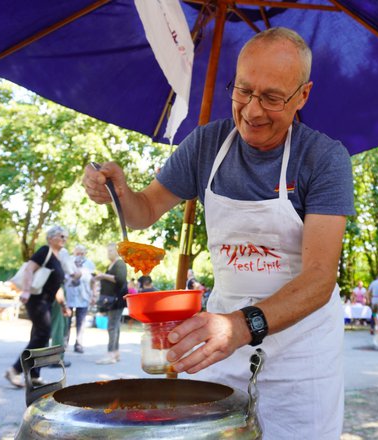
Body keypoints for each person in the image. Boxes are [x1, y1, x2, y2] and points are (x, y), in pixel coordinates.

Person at [83, 27, 354, 438]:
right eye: (243, 91)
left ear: (303, 95)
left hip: (303, 354)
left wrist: (240, 327)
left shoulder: (323, 158)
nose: (253, 110)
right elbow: (145, 210)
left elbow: (319, 279)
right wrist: (119, 194)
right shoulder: (208, 144)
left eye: (273, 97)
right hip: (223, 341)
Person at [5, 226, 69, 388]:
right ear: (51, 238)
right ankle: (14, 370)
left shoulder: (58, 258)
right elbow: (29, 269)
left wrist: (63, 305)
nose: (64, 239)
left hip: (47, 301)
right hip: (36, 299)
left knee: (39, 337)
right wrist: (26, 291)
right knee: (42, 334)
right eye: (61, 236)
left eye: (66, 237)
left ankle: (34, 376)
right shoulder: (44, 251)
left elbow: (57, 286)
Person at [94, 243, 127, 365]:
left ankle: (111, 354)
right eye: (108, 251)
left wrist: (103, 276)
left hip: (116, 300)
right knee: (115, 326)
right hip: (111, 299)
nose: (109, 253)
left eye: (111, 251)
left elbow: (120, 279)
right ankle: (115, 353)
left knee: (112, 326)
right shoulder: (112, 264)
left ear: (117, 252)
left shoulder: (120, 263)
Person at [64, 245, 96, 354]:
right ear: (74, 253)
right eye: (78, 253)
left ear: (85, 253)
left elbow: (93, 280)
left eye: (82, 253)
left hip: (84, 296)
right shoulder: (68, 261)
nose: (80, 256)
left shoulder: (89, 264)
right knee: (66, 321)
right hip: (69, 295)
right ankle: (64, 343)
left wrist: (93, 295)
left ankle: (79, 344)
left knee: (81, 322)